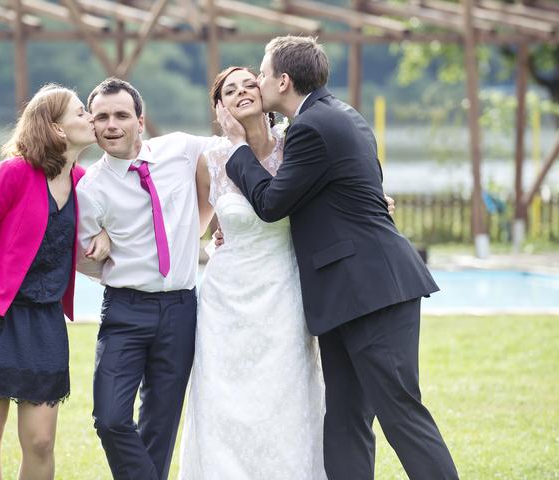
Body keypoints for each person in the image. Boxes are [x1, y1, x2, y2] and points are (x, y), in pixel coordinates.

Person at [218, 36, 458, 479]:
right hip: (342, 293)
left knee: (400, 412)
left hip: (371, 290)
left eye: (262, 74)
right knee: (346, 418)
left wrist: (237, 149)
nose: (258, 82)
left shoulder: (312, 127)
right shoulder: (335, 115)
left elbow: (272, 203)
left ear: (283, 81)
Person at [0, 84, 110, 480]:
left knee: (41, 441)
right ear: (58, 128)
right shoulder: (13, 173)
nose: (91, 118)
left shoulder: (85, 182)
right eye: (81, 112)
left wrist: (105, 234)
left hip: (45, 323)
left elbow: (110, 220)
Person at [178, 66, 327, 479]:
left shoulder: (294, 147)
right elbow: (196, 228)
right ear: (219, 107)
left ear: (265, 94)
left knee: (285, 394)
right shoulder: (211, 161)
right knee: (222, 400)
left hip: (283, 291)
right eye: (230, 90)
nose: (242, 91)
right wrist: (216, 239)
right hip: (225, 301)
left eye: (249, 84)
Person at [75, 77, 221, 480]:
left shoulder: (181, 149)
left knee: (161, 423)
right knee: (110, 417)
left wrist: (217, 217)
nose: (112, 125)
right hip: (125, 309)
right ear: (92, 124)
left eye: (122, 115)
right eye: (102, 117)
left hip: (180, 307)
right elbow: (84, 257)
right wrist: (117, 267)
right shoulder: (91, 188)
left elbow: (230, 154)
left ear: (141, 121)